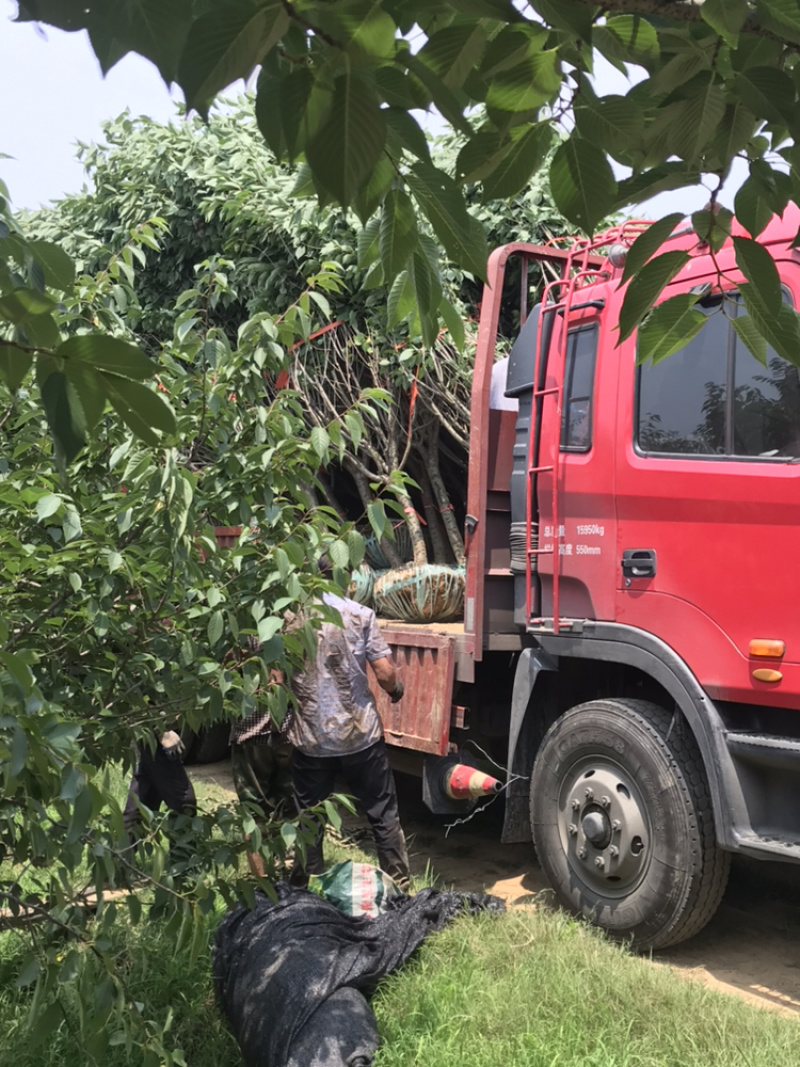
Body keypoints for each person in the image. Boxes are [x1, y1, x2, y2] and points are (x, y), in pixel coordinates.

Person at [285, 587, 410, 891]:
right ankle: (399, 886)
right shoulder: (360, 614)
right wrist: (396, 689)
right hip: (360, 735)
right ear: (347, 574)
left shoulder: (289, 617)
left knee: (309, 818)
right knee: (382, 812)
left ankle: (304, 889)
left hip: (311, 737)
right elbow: (383, 672)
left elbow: (276, 677)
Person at [123, 728, 197, 843]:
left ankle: (121, 854)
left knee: (144, 801)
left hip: (151, 736)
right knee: (184, 803)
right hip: (155, 736)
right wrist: (161, 731)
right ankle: (182, 857)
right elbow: (144, 710)